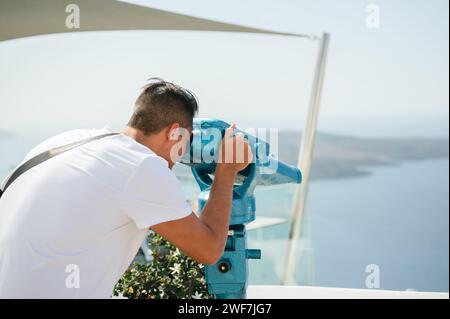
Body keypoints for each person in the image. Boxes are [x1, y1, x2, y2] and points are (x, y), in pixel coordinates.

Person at [0, 79, 252, 298]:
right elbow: (208, 250)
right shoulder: (140, 165)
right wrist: (226, 170)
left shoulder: (65, 142)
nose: (180, 157)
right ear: (174, 133)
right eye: (186, 143)